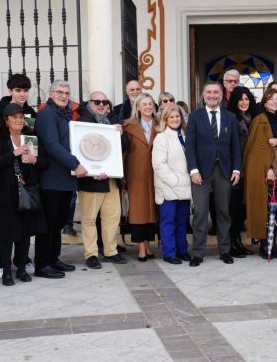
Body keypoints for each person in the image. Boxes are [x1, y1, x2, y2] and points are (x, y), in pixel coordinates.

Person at [0, 104, 48, 285]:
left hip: (25, 191)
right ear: (6, 120)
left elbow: (45, 162)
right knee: (5, 234)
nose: (19, 120)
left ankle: (21, 268)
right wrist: (15, 153)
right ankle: (6, 271)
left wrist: (34, 160)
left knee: (24, 232)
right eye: (14, 117)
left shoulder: (30, 137)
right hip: (4, 192)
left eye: (21, 117)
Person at [185, 80, 242, 266]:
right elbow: (190, 146)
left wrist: (236, 169)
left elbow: (236, 145)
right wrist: (193, 170)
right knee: (200, 212)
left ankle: (225, 250)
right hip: (200, 172)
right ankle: (198, 253)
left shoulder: (230, 117)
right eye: (208, 92)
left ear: (220, 94)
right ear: (203, 95)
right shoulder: (194, 117)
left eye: (215, 92)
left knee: (223, 212)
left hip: (224, 171)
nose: (212, 95)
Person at [35, 80, 87, 278]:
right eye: (59, 92)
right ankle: (42, 264)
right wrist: (76, 164)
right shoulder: (47, 114)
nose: (64, 96)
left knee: (57, 224)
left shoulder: (64, 115)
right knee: (48, 224)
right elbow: (51, 145)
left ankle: (53, 258)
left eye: (67, 92)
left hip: (65, 180)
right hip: (52, 180)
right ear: (51, 93)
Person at [77, 92, 128, 268]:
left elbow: (125, 146)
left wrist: (121, 134)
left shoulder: (112, 121)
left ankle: (110, 251)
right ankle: (91, 254)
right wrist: (91, 170)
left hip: (111, 179)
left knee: (112, 216)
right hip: (91, 180)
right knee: (89, 218)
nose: (101, 105)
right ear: (89, 103)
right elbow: (79, 150)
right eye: (97, 101)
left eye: (104, 102)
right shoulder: (82, 122)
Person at [243, 88, 277, 259]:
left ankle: (273, 243)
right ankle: (264, 244)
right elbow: (255, 150)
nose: (275, 102)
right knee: (263, 208)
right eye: (271, 99)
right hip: (264, 172)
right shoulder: (259, 120)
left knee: (275, 209)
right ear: (265, 101)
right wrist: (267, 168)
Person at [152, 103, 192, 264]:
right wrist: (174, 181)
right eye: (171, 117)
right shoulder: (161, 137)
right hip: (169, 187)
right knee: (168, 221)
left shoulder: (186, 134)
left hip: (185, 186)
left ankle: (182, 250)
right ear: (165, 119)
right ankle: (169, 253)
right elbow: (158, 164)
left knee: (182, 221)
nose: (175, 119)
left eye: (177, 116)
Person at [122, 93, 159, 261]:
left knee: (152, 211)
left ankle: (149, 245)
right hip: (135, 174)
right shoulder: (128, 126)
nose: (148, 107)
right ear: (137, 107)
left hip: (155, 174)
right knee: (138, 211)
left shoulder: (160, 124)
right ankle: (141, 248)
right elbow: (123, 152)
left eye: (150, 104)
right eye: (144, 104)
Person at [227, 87, 255, 257]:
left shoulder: (254, 118)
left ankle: (238, 241)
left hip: (250, 170)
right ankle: (232, 243)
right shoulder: (231, 119)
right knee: (234, 209)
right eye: (240, 99)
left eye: (246, 99)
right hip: (235, 170)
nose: (244, 102)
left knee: (244, 209)